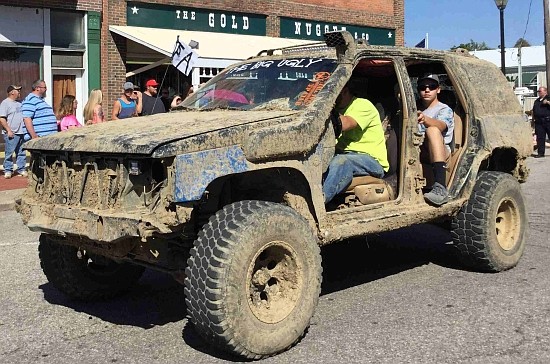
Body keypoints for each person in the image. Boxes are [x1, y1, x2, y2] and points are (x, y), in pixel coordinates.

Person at [322, 83, 389, 203]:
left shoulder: (362, 105)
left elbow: (346, 123)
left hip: (371, 160)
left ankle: (319, 202)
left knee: (341, 161)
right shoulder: (337, 110)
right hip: (343, 154)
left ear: (345, 91)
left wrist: (321, 113)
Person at [416, 73, 454, 206]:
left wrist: (425, 120)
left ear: (438, 89)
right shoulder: (413, 108)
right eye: (423, 87)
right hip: (416, 148)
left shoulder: (444, 109)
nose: (427, 90)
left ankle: (440, 187)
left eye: (431, 86)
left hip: (439, 150)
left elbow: (441, 125)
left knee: (432, 130)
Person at [0, 85, 26, 178]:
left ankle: (21, 169)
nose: (19, 92)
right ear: (12, 92)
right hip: (11, 133)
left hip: (21, 132)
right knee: (9, 152)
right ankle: (8, 170)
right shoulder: (5, 103)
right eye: (17, 90)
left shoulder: (20, 103)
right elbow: (2, 119)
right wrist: (9, 130)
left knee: (21, 152)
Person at [531, 86, 550, 158]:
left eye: (540, 91)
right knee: (540, 138)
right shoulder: (537, 101)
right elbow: (533, 111)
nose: (539, 93)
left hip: (547, 121)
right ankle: (541, 153)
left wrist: (548, 102)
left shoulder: (548, 98)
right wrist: (532, 121)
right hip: (539, 122)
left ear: (545, 91)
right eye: (538, 91)